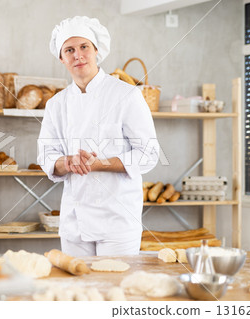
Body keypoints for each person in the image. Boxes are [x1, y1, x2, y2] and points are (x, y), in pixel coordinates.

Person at [37, 16, 159, 257]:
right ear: (62, 58)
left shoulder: (127, 95)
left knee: (115, 290)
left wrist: (98, 164)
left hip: (118, 221)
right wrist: (68, 162)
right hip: (74, 221)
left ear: (96, 51)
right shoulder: (56, 104)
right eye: (69, 50)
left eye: (84, 47)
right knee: (78, 291)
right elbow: (46, 156)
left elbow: (149, 153)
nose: (78, 55)